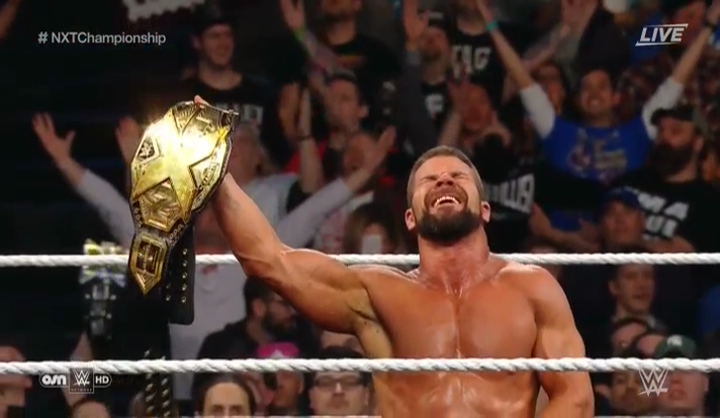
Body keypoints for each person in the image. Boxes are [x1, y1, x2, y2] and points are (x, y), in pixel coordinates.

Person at [196, 93, 593, 416]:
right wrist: (215, 171)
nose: (444, 180)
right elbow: (270, 261)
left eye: (457, 176)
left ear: (485, 210)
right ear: (409, 218)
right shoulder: (378, 293)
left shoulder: (532, 288)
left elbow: (575, 398)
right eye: (429, 180)